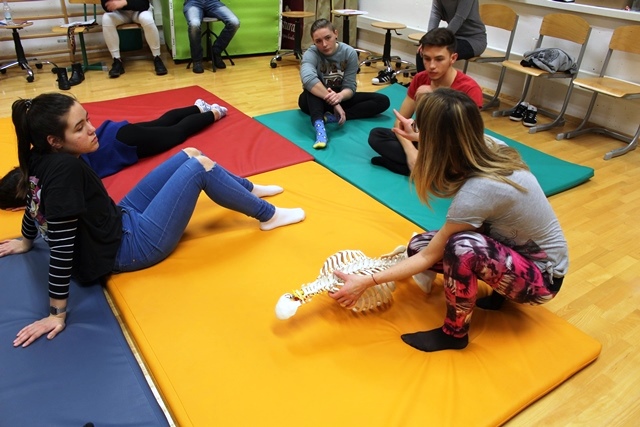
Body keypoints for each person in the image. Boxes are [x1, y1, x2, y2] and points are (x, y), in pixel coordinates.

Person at [0, 93, 305, 348]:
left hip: (118, 219)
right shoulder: (65, 172)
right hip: (131, 247)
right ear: (55, 140)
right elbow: (62, 247)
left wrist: (26, 240)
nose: (92, 130)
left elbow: (33, 204)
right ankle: (268, 216)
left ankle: (246, 189)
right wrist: (56, 313)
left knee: (190, 153)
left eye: (88, 120)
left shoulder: (36, 158)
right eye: (80, 128)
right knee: (199, 168)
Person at [331, 88, 568, 353]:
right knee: (418, 245)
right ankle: (499, 294)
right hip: (517, 253)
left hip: (542, 282)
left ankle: (454, 334)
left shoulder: (479, 190)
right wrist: (415, 136)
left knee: (461, 247)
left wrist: (367, 281)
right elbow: (424, 250)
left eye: (424, 129)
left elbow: (428, 258)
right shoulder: (486, 144)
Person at [0, 99, 226, 210]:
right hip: (115, 133)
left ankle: (215, 113)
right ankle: (198, 107)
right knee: (161, 124)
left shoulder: (56, 168)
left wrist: (28, 204)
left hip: (124, 143)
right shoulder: (43, 151)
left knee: (175, 133)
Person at [368, 28, 483, 176]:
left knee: (460, 163)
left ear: (453, 58)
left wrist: (434, 95)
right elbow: (399, 123)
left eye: (439, 59)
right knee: (377, 135)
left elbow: (466, 139)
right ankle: (422, 168)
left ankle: (409, 167)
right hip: (421, 140)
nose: (432, 66)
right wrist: (411, 152)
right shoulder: (421, 78)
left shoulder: (469, 89)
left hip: (448, 147)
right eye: (427, 59)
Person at [299, 18, 390, 149]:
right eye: (318, 41)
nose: (324, 44)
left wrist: (339, 97)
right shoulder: (311, 53)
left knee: (382, 101)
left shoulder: (349, 52)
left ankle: (333, 118)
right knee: (311, 90)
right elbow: (308, 79)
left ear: (336, 34)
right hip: (316, 99)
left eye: (328, 38)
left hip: (340, 97)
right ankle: (320, 127)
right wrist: (334, 103)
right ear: (313, 42)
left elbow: (350, 86)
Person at [415, 0, 487, 74]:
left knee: (439, 52)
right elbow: (435, 15)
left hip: (473, 40)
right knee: (423, 52)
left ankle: (435, 81)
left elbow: (458, 18)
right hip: (453, 37)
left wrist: (438, 40)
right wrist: (427, 41)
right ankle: (422, 81)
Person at [101, 0, 168, 78]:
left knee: (147, 19)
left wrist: (124, 2)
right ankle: (117, 60)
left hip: (139, 11)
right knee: (106, 18)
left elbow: (144, 4)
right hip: (120, 13)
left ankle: (157, 57)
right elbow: (106, 6)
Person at [183, 0, 240, 74]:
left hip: (213, 2)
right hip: (193, 3)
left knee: (234, 22)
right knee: (194, 24)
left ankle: (216, 51)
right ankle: (197, 60)